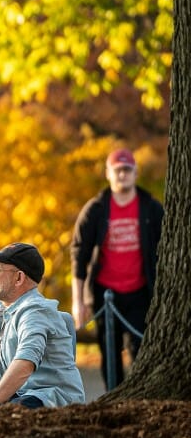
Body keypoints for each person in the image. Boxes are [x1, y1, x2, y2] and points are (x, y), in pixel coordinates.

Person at [0, 241, 85, 410]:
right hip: (22, 392)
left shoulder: (35, 311)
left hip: (49, 396)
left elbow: (25, 362)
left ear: (19, 278)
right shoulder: (11, 307)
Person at [70, 148, 164, 385]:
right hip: (105, 295)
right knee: (109, 354)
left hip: (141, 292)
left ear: (135, 173)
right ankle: (114, 398)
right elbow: (79, 255)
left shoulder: (151, 208)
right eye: (117, 170)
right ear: (108, 174)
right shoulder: (96, 210)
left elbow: (168, 251)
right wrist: (78, 301)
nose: (122, 175)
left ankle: (139, 399)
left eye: (127, 170)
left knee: (140, 350)